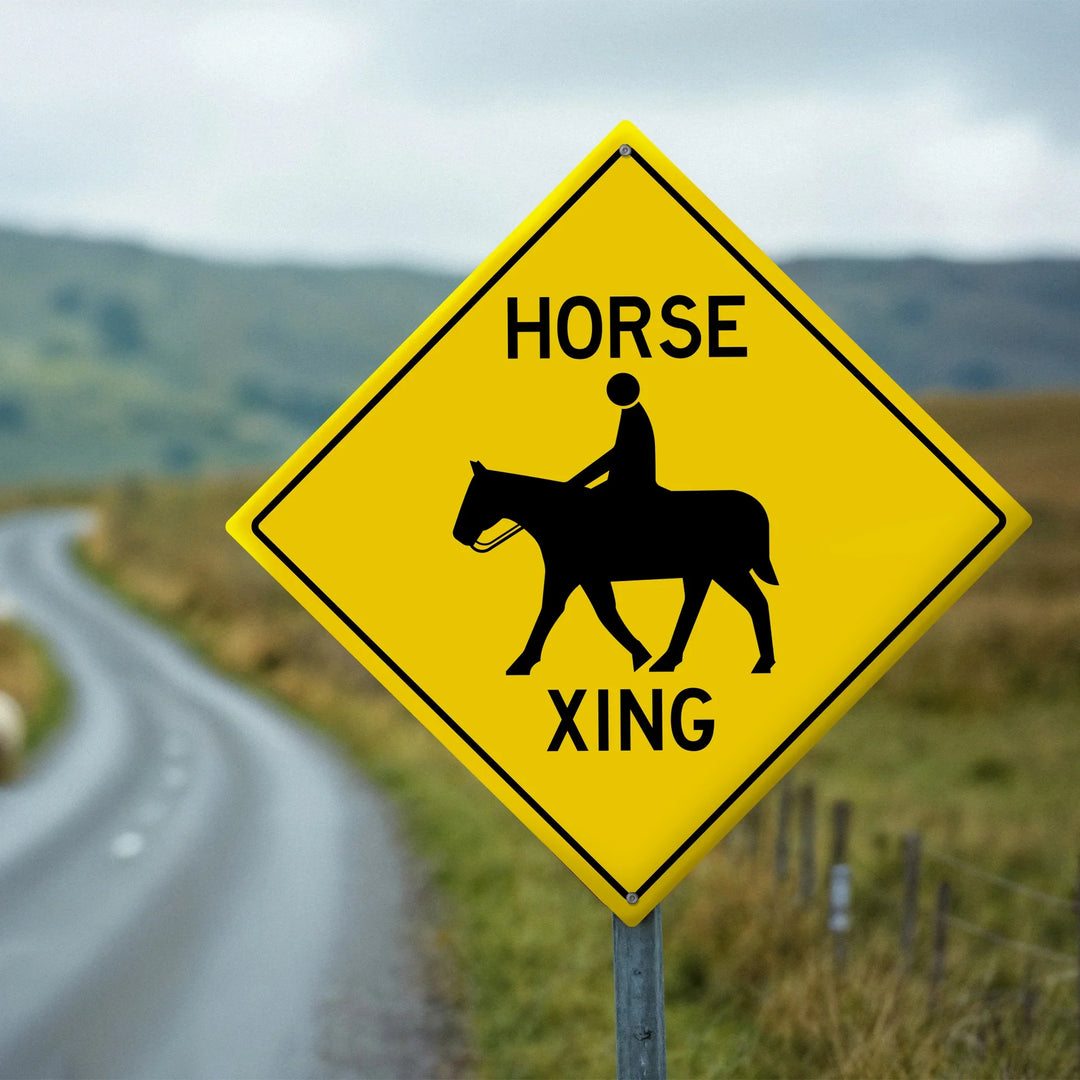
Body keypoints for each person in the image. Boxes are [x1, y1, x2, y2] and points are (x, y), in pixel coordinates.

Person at [569, 372, 658, 495]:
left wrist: (575, 483)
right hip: (623, 482)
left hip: (628, 486)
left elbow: (616, 455)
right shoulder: (633, 413)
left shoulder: (634, 417)